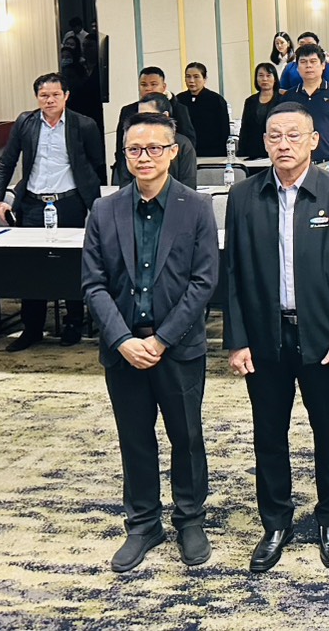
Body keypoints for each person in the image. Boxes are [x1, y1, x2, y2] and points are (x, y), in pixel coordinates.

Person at [224, 102, 329, 573]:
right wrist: (237, 340)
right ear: (264, 143)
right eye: (275, 136)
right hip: (264, 337)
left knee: (328, 431)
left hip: (321, 337)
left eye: (293, 135)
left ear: (313, 141)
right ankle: (275, 523)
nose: (283, 144)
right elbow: (233, 274)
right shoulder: (243, 196)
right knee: (268, 434)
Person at [81, 111, 219, 573]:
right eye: (134, 149)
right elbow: (93, 285)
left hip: (177, 348)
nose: (144, 157)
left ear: (172, 152)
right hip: (123, 351)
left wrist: (161, 340)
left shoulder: (196, 207)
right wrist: (122, 339)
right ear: (124, 156)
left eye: (154, 148)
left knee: (187, 436)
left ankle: (190, 518)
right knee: (135, 439)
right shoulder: (104, 210)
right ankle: (143, 523)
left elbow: (203, 283)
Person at [0, 72, 106, 351]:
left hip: (69, 202)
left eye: (55, 95)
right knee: (32, 267)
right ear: (37, 98)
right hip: (32, 204)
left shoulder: (84, 124)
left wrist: (95, 202)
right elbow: (7, 161)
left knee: (70, 264)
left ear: (66, 96)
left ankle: (73, 322)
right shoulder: (26, 122)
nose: (50, 100)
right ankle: (32, 327)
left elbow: (96, 164)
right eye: (44, 95)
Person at [282, 43, 329, 176]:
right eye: (303, 62)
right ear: (297, 67)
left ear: (323, 65)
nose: (308, 66)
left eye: (313, 61)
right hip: (296, 165)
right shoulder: (289, 96)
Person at [115, 67, 197, 173]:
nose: (148, 88)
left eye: (153, 84)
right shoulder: (128, 110)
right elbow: (121, 144)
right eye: (144, 84)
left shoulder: (178, 109)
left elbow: (189, 139)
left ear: (163, 87)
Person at [113, 93, 198, 188]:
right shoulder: (131, 143)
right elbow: (125, 183)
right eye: (139, 117)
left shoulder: (183, 144)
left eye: (149, 117)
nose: (143, 122)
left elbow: (188, 184)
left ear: (165, 116)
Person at [176, 63, 231, 159]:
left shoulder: (216, 100)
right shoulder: (179, 99)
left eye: (196, 77)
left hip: (212, 153)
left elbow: (224, 129)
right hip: (185, 152)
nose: (191, 81)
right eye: (188, 77)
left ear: (204, 79)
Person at [237, 63, 283, 160]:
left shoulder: (282, 100)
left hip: (275, 150)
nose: (264, 79)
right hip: (252, 151)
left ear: (275, 79)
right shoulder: (250, 101)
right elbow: (245, 128)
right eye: (261, 75)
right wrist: (241, 152)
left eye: (268, 75)